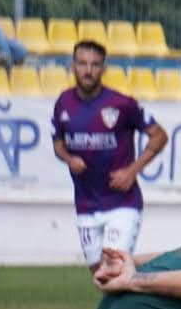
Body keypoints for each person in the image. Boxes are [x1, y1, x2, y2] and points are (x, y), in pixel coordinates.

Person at [52, 39, 168, 272]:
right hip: (85, 204)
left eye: (95, 65)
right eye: (82, 64)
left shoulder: (122, 104)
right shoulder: (63, 103)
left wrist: (132, 171)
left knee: (113, 268)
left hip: (122, 203)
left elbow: (159, 135)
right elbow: (58, 144)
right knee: (99, 274)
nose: (88, 70)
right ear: (72, 66)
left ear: (103, 69)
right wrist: (68, 158)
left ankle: (145, 295)